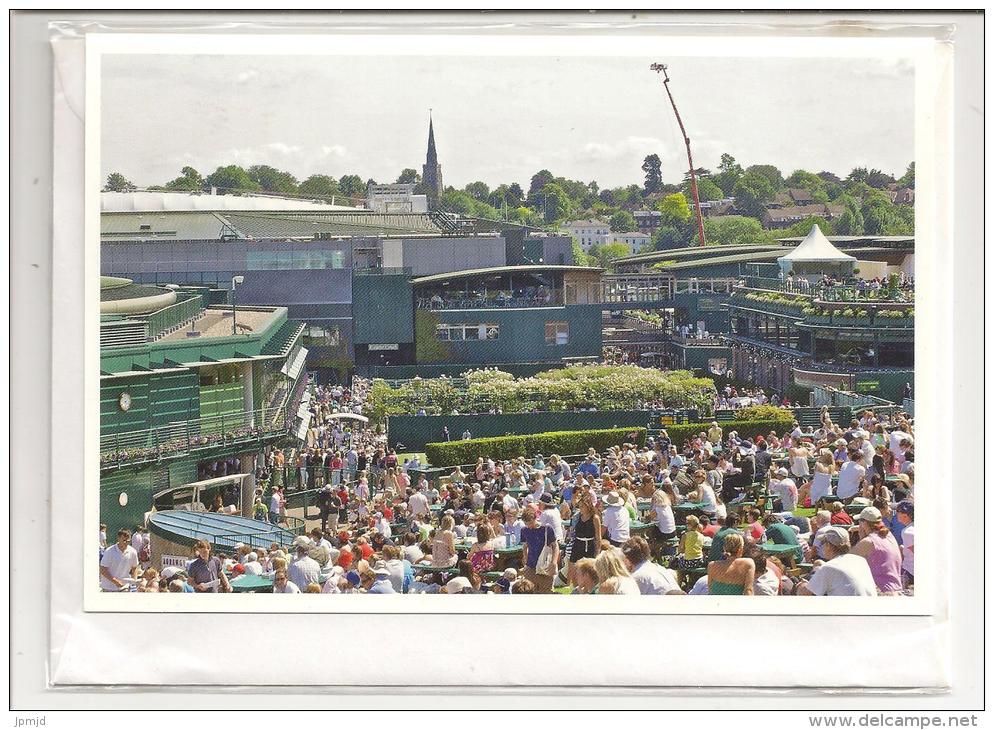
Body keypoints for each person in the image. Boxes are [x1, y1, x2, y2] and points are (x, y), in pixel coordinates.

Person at [796, 527, 876, 596]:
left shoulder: (829, 567)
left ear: (828, 545)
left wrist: (802, 585)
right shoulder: (860, 560)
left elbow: (806, 593)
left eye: (823, 543)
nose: (822, 546)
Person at [851, 506, 903, 595]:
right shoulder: (889, 535)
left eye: (859, 521)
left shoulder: (868, 542)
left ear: (864, 523)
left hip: (882, 592)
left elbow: (845, 561)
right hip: (896, 589)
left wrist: (861, 537)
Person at [519, 505, 559, 594]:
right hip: (531, 565)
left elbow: (555, 546)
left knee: (545, 592)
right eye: (526, 523)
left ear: (535, 518)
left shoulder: (546, 529)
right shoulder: (524, 530)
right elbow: (525, 545)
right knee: (529, 591)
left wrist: (554, 562)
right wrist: (525, 557)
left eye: (530, 523)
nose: (528, 526)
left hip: (544, 566)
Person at [567, 491, 601, 585]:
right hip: (578, 544)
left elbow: (598, 537)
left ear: (588, 506)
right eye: (580, 506)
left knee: (588, 570)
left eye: (582, 506)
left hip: (589, 545)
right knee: (573, 569)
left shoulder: (595, 518)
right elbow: (572, 530)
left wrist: (597, 552)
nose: (580, 508)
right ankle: (575, 588)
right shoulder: (578, 517)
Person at [896, 501, 915, 588]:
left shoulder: (907, 532)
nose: (896, 513)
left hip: (910, 572)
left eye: (898, 511)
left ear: (905, 516)